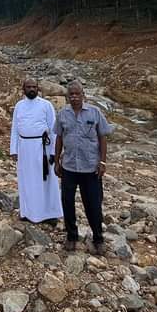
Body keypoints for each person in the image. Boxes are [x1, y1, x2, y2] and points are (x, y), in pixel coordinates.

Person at [54, 81, 112, 253]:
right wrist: (56, 161)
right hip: (69, 167)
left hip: (90, 168)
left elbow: (102, 137)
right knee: (67, 203)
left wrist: (102, 162)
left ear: (83, 95)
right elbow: (59, 138)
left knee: (93, 204)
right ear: (67, 97)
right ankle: (71, 236)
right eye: (71, 94)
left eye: (77, 94)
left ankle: (98, 238)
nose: (74, 97)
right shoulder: (62, 114)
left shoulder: (95, 112)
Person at [9, 78, 61, 224]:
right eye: (28, 87)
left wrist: (53, 152)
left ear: (38, 88)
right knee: (27, 180)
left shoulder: (46, 105)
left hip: (42, 148)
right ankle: (28, 212)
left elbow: (53, 130)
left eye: (34, 86)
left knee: (46, 181)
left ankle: (49, 214)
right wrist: (14, 149)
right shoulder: (19, 106)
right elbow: (15, 128)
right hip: (24, 148)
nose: (31, 89)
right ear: (23, 89)